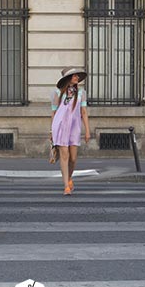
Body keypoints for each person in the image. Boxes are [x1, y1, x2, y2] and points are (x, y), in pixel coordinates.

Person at [50, 67, 91, 196]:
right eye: (74, 76)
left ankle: (69, 177)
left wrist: (87, 131)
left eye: (77, 76)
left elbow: (83, 112)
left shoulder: (81, 93)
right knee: (64, 155)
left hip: (74, 126)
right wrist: (51, 131)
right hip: (60, 126)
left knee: (73, 158)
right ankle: (66, 186)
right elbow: (54, 113)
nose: (76, 78)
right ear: (68, 78)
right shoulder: (57, 92)